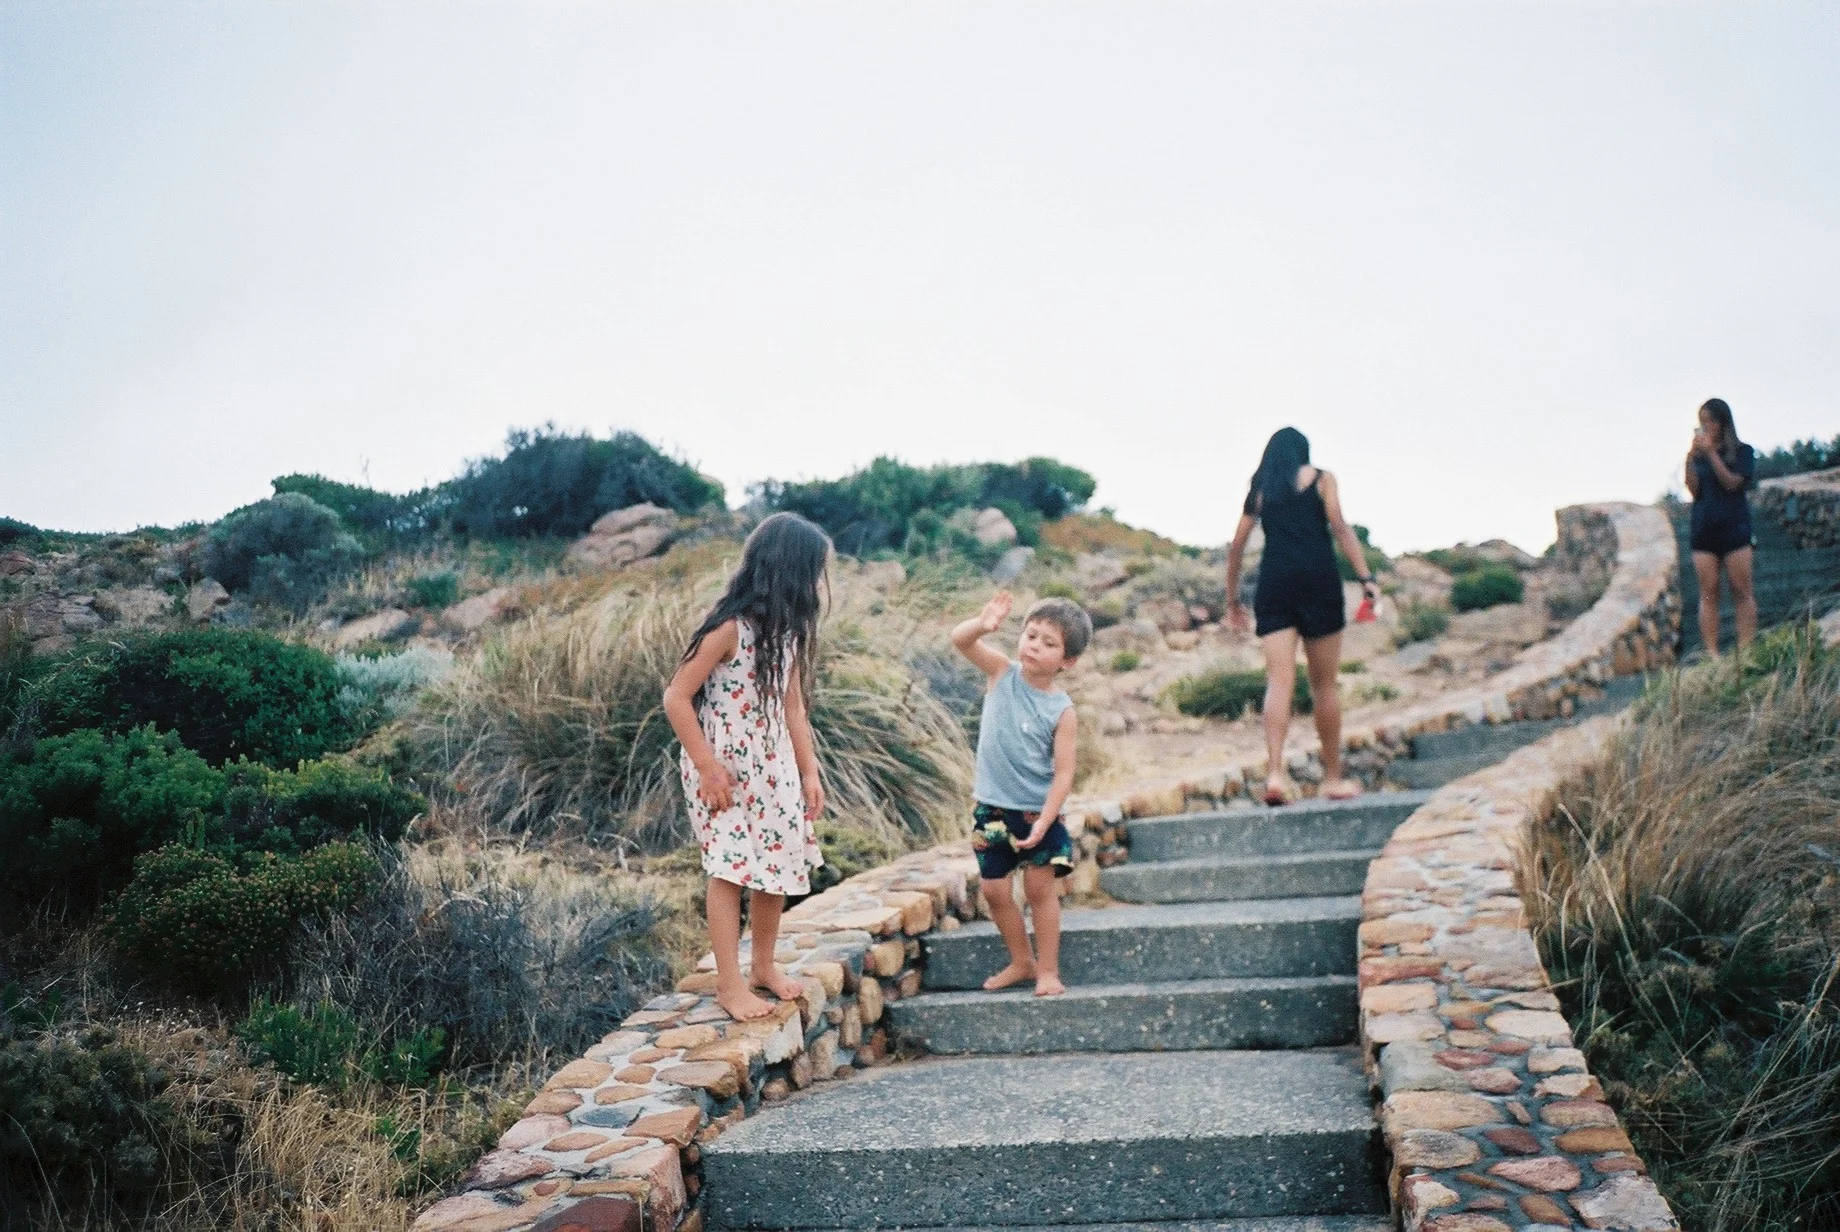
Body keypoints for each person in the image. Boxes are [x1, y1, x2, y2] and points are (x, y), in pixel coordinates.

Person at [663, 512, 830, 1021]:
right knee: (731, 867)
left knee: (774, 867)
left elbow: (793, 708)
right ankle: (729, 985)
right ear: (787, 571)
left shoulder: (789, 634)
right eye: (812, 572)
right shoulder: (728, 631)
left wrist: (809, 772)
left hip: (773, 764)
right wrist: (709, 768)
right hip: (723, 768)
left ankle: (762, 967)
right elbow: (676, 697)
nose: (817, 584)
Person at [1225, 427, 1379, 805]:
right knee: (1324, 685)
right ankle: (1331, 778)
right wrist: (1366, 579)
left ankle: (1275, 775)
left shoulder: (1261, 490)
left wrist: (1233, 600)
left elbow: (1237, 546)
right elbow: (1340, 527)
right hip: (1318, 580)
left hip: (1275, 583)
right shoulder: (1323, 480)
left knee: (1279, 681)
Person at [950, 591, 1090, 998]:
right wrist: (983, 623)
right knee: (994, 890)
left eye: (1049, 644)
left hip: (1037, 815)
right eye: (1031, 636)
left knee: (1038, 891)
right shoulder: (1001, 672)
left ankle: (1047, 970)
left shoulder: (1062, 710)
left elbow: (1064, 773)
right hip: (991, 809)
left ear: (1067, 661)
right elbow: (960, 641)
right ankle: (1021, 960)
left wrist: (1047, 819)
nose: (1035, 646)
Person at [1685, 397, 1758, 655]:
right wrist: (1690, 459)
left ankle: (1746, 649)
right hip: (1704, 529)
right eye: (1701, 422)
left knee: (1741, 589)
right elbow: (1693, 490)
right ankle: (1713, 654)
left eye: (1710, 421)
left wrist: (1712, 454)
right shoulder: (1699, 457)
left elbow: (1731, 482)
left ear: (1722, 422)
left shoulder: (1743, 452)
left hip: (1735, 527)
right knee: (1708, 593)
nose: (1706, 427)